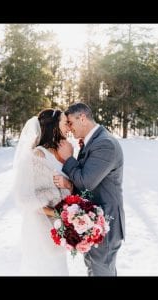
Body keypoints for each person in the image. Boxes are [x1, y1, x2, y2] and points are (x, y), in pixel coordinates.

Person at [53, 102, 125, 276]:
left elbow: (85, 182)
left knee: (101, 271)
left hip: (105, 222)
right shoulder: (92, 141)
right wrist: (70, 185)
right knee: (95, 269)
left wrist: (68, 159)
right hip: (92, 222)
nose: (68, 128)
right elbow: (84, 181)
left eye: (70, 122)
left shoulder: (105, 143)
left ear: (82, 118)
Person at [12, 108, 73, 276]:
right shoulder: (36, 155)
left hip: (58, 228)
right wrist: (56, 213)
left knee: (59, 269)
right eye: (64, 123)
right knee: (43, 269)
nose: (68, 127)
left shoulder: (62, 152)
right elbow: (25, 198)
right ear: (54, 126)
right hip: (39, 228)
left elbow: (69, 185)